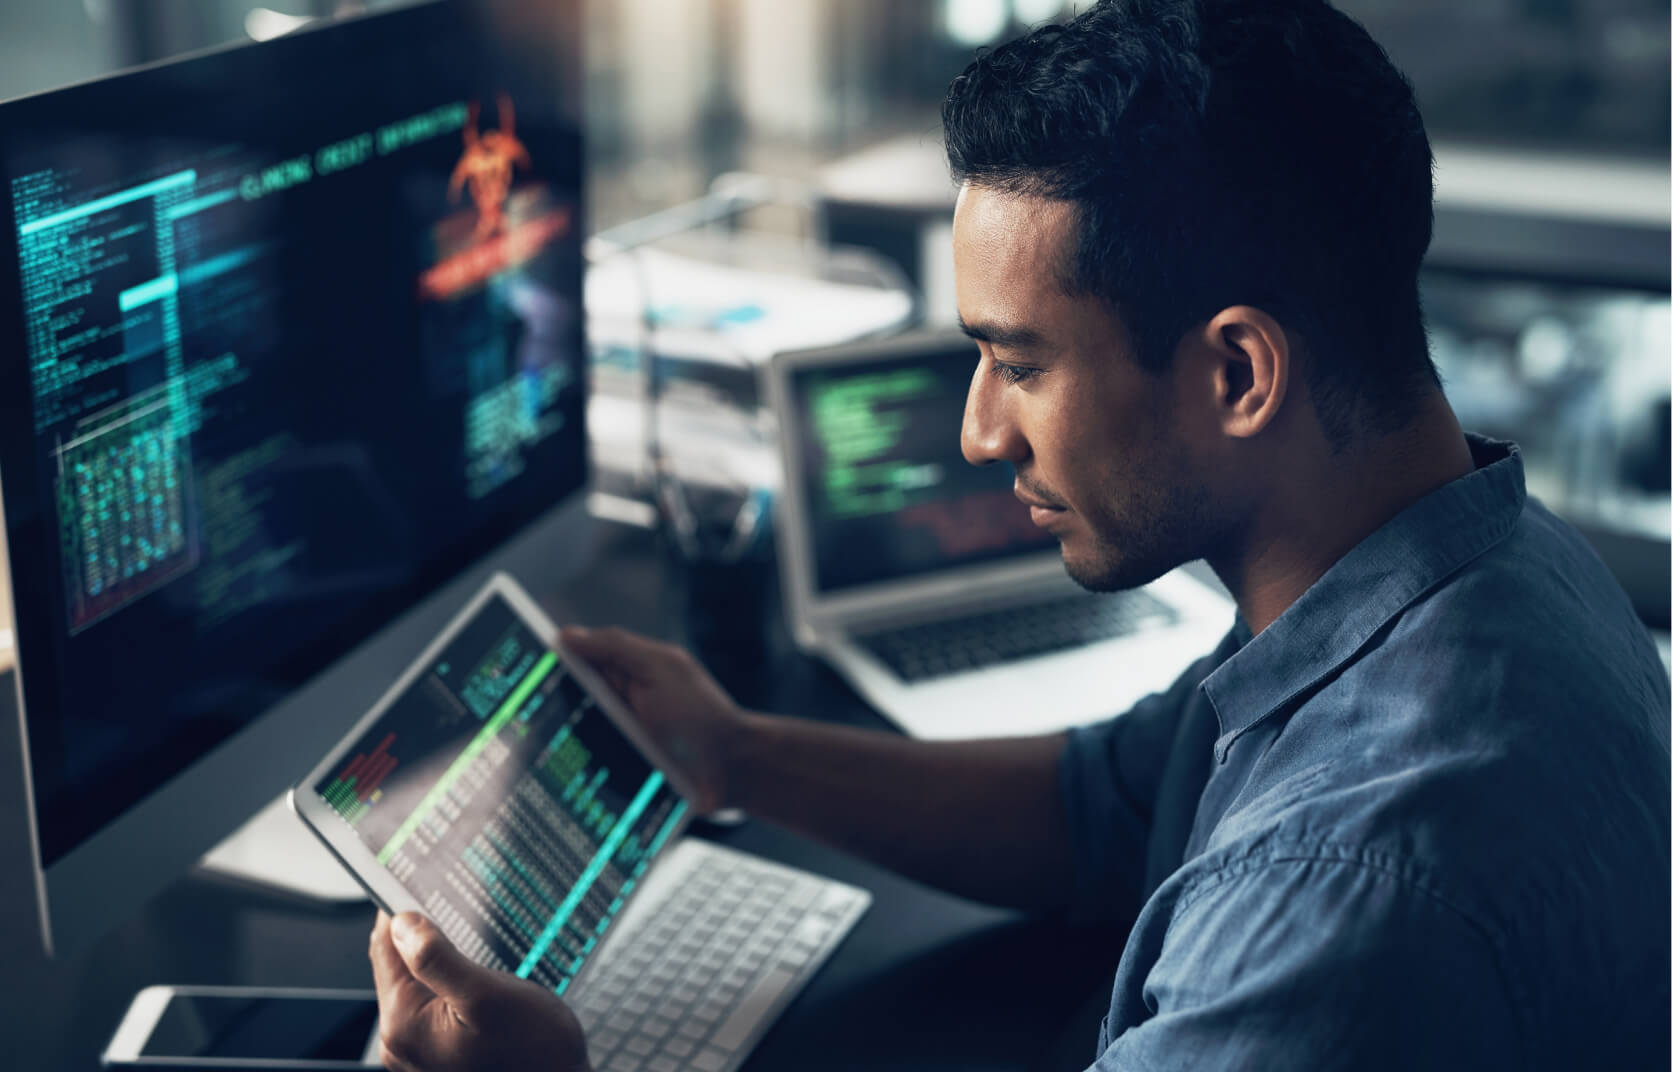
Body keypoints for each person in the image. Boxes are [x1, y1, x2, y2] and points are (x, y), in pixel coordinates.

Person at [368, 1, 1672, 1068]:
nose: (982, 434)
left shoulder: (1348, 904)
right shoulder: (1478, 559)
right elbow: (1106, 809)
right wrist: (733, 754)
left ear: (1236, 376)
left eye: (1019, 362)